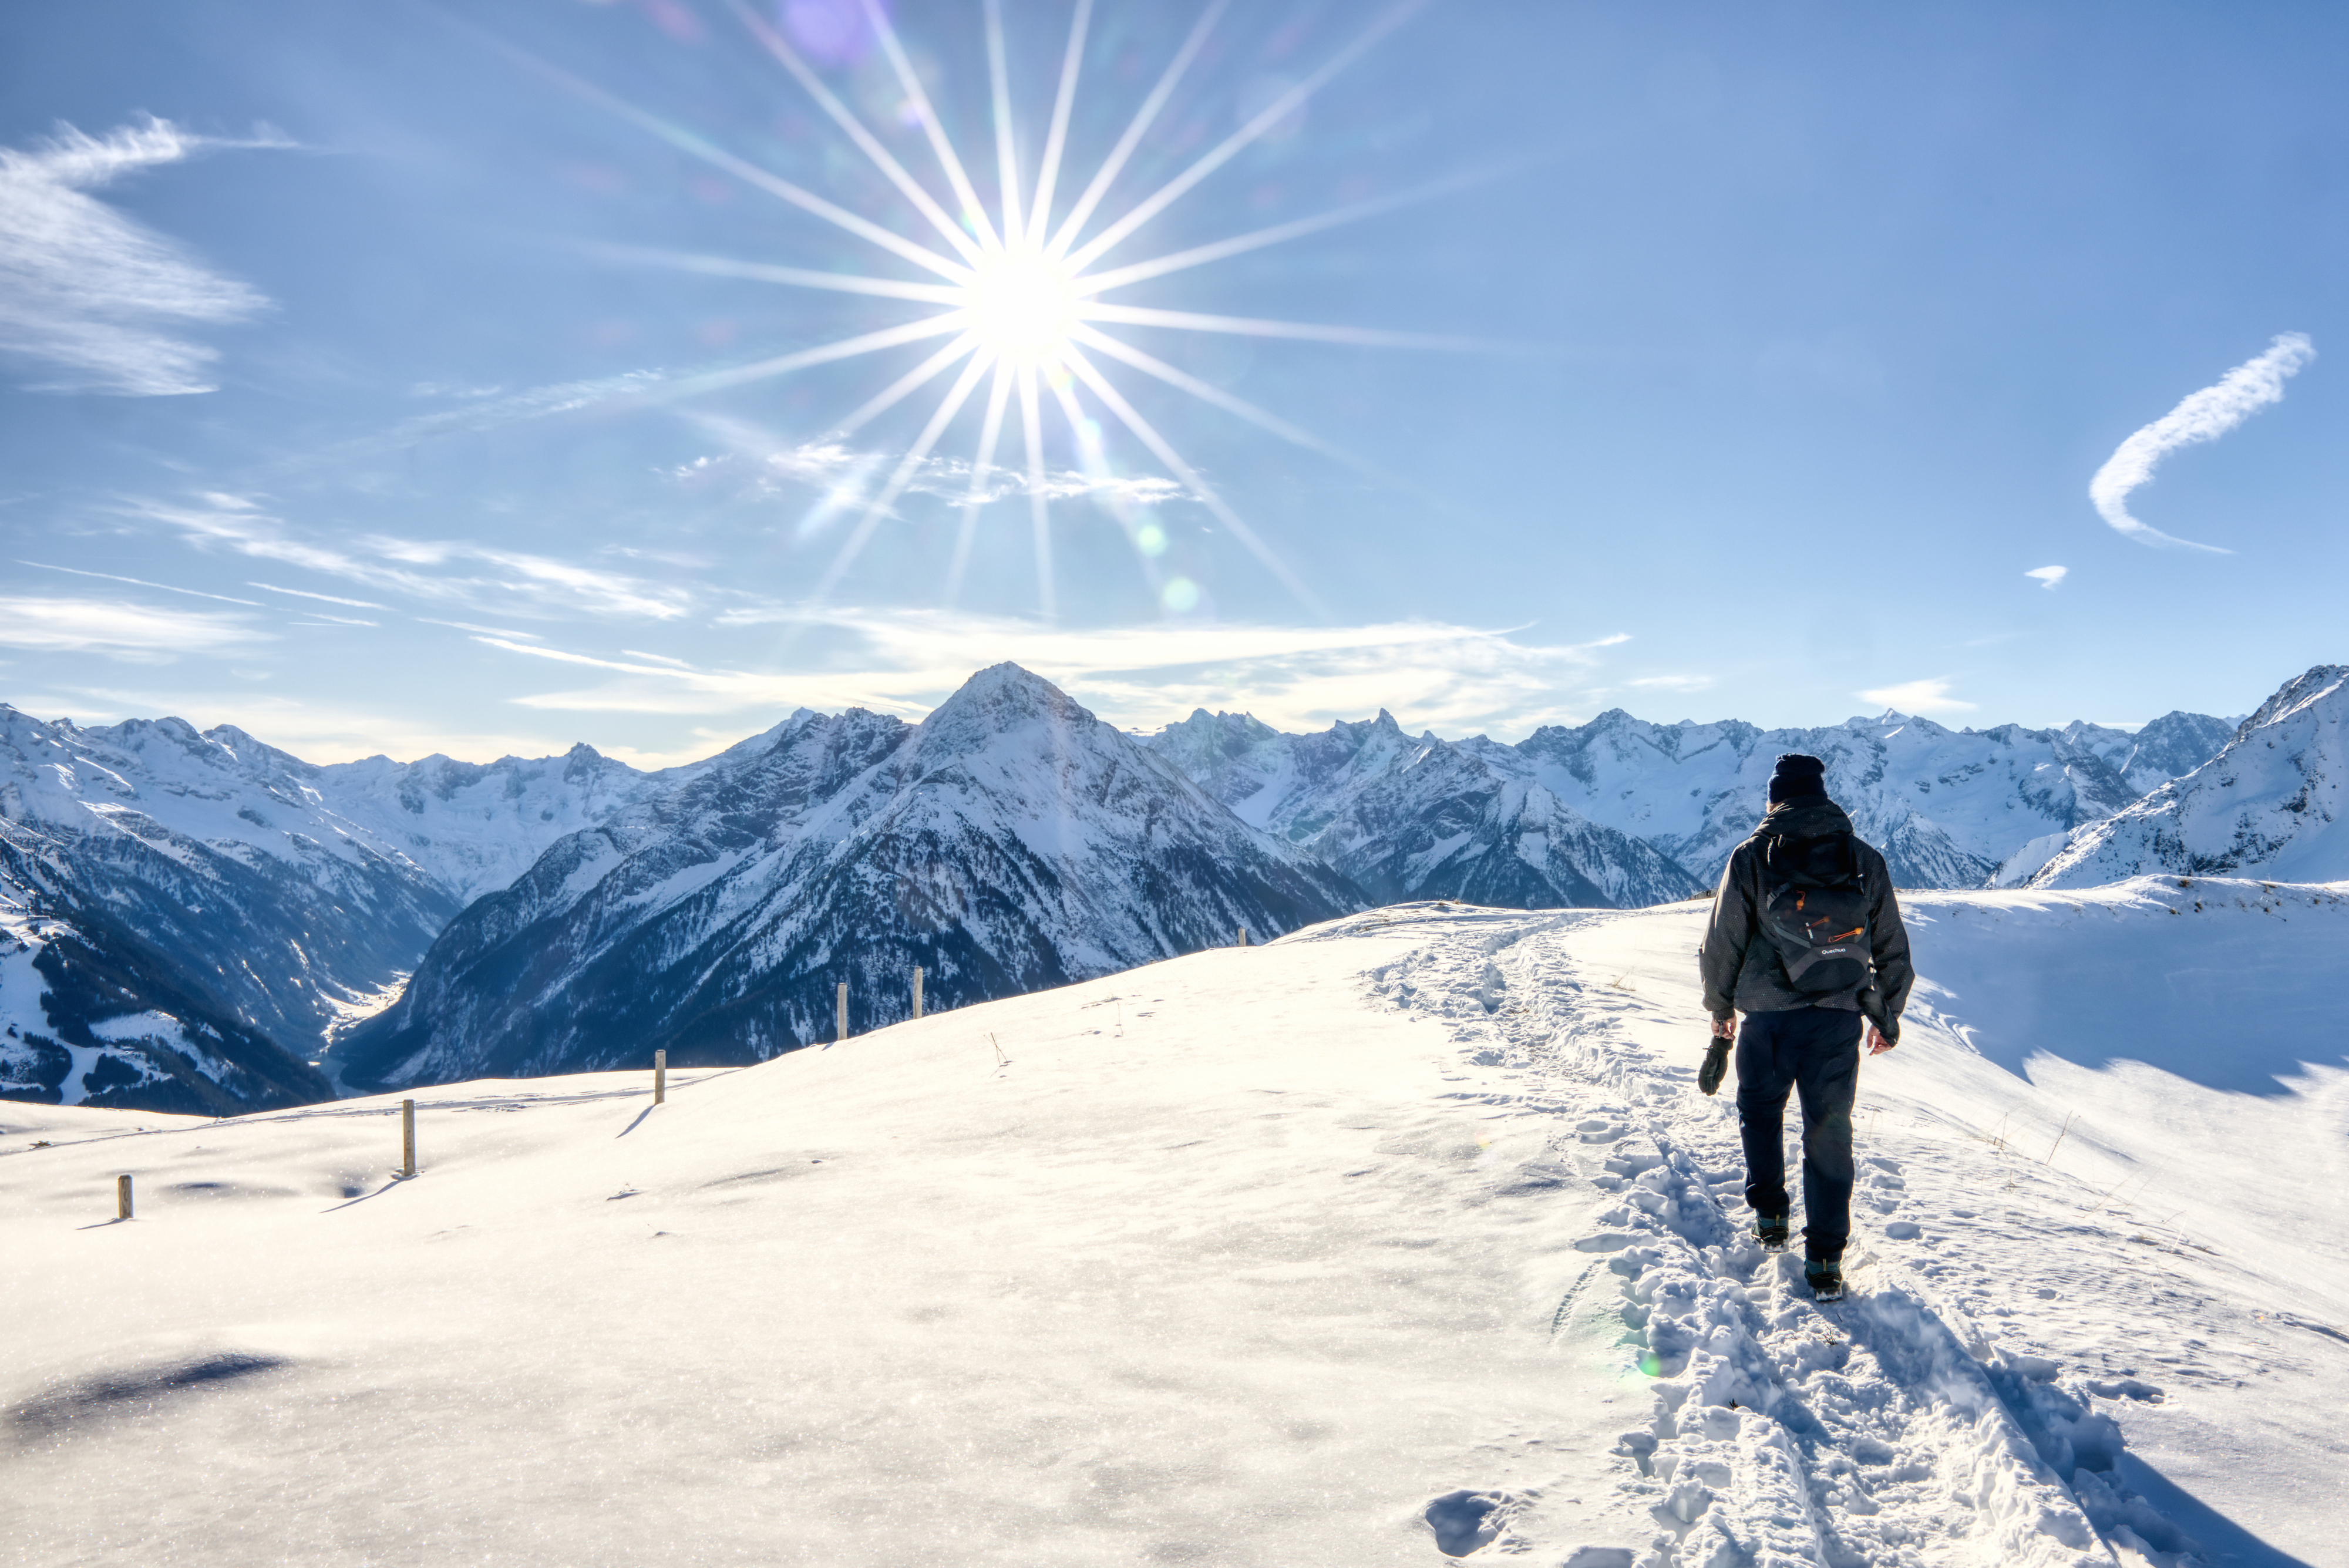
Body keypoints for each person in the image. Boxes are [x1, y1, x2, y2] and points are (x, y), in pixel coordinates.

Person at [1696, 752, 1913, 1301]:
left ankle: (1771, 1216)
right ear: (1822, 794)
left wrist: (1721, 1010)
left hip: (1767, 1021)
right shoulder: (1863, 859)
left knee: (1761, 1113)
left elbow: (1723, 943)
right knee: (1830, 1135)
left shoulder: (1751, 858)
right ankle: (1824, 1261)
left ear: (1774, 799)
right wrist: (1886, 1017)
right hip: (1837, 1022)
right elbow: (1892, 948)